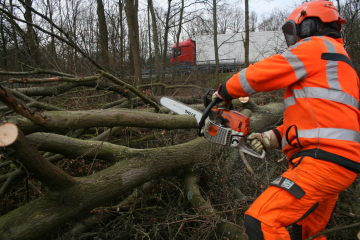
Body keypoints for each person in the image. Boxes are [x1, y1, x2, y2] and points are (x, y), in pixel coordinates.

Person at [212, 0, 360, 239]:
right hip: (340, 166)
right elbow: (318, 123)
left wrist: (223, 92)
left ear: (309, 25)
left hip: (319, 163)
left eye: (293, 31)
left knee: (262, 221)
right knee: (307, 231)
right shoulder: (342, 64)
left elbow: (262, 73)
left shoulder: (316, 47)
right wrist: (270, 138)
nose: (293, 39)